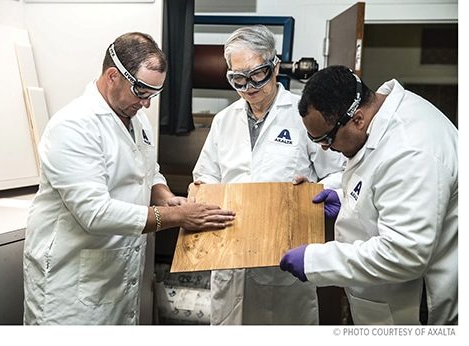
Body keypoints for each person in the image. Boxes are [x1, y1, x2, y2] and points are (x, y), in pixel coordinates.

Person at [23, 32, 235, 325]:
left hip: (116, 279)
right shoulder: (73, 126)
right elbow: (94, 213)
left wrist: (166, 197)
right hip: (71, 287)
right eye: (141, 91)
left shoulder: (135, 118)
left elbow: (148, 171)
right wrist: (177, 217)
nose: (146, 103)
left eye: (153, 94)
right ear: (112, 76)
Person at [280, 65, 458, 325]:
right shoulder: (382, 114)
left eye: (327, 139)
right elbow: (379, 178)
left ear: (358, 119)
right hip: (380, 299)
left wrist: (315, 260)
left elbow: (404, 255)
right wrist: (341, 193)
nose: (326, 149)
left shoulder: (412, 152)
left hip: (412, 311)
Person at [192, 25, 346, 325]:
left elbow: (340, 174)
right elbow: (206, 173)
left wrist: (313, 189)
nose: (248, 86)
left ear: (275, 66)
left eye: (257, 74)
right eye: (237, 78)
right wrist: (203, 190)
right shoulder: (225, 120)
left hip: (283, 257)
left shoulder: (304, 113)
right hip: (230, 255)